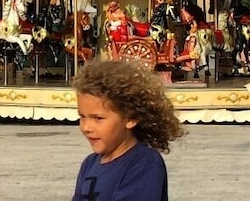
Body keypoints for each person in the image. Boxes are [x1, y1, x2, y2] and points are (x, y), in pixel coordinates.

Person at [71, 59, 184, 201]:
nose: (86, 127)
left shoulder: (144, 163)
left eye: (98, 118)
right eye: (82, 117)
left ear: (131, 118)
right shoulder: (89, 164)